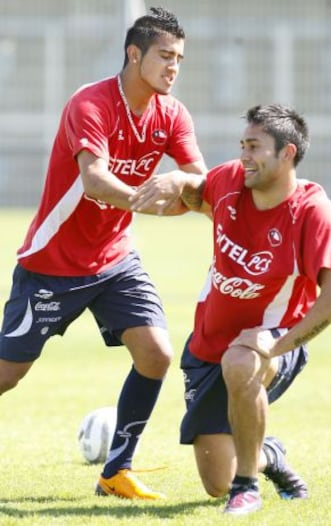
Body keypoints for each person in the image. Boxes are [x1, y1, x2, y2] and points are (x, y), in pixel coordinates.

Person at [0, 7, 208, 500]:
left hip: (115, 259)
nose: (173, 67)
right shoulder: (90, 103)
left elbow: (202, 182)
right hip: (53, 263)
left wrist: (183, 183)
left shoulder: (173, 113)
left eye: (179, 59)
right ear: (134, 54)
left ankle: (115, 471)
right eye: (164, 56)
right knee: (7, 375)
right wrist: (155, 201)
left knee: (156, 354)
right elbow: (94, 180)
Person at [130, 104, 331, 515]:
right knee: (216, 481)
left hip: (272, 342)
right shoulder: (230, 179)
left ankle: (247, 488)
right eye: (242, 145)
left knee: (241, 358)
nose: (244, 155)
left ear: (287, 154)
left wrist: (276, 345)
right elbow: (198, 194)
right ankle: (267, 455)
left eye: (255, 147)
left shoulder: (311, 210)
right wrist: (178, 179)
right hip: (206, 346)